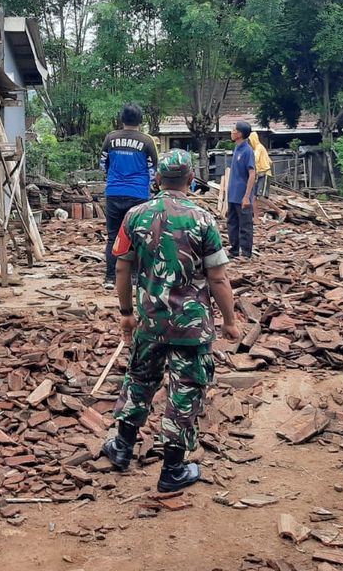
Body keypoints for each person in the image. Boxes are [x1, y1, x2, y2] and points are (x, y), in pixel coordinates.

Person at [102, 149, 241, 492]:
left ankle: (121, 447)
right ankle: (173, 470)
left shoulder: (135, 215)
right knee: (185, 392)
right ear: (192, 181)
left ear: (158, 180)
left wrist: (126, 314)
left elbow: (122, 267)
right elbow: (219, 279)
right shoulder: (203, 220)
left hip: (150, 322)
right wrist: (230, 321)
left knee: (139, 380)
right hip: (191, 327)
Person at [100, 103, 158, 289]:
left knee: (113, 236)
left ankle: (110, 278)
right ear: (140, 120)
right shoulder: (147, 141)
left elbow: (103, 163)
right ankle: (135, 277)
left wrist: (115, 176)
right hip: (138, 195)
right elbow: (153, 168)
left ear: (121, 119)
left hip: (114, 192)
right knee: (138, 236)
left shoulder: (111, 138)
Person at [225, 121, 257, 259]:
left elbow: (252, 174)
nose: (231, 132)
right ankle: (234, 250)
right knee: (232, 224)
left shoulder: (247, 151)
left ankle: (246, 253)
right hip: (233, 195)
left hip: (242, 196)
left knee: (245, 226)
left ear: (239, 134)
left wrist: (246, 196)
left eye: (233, 130)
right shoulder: (236, 148)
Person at [249, 131, 273, 199]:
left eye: (250, 141)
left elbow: (255, 159)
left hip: (264, 174)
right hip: (260, 174)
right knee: (255, 196)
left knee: (261, 196)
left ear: (253, 140)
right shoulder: (260, 148)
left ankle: (278, 210)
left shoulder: (258, 147)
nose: (250, 143)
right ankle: (256, 209)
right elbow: (270, 162)